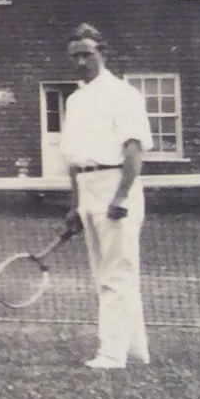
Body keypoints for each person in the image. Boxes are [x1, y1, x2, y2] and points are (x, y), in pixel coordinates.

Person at [60, 23, 153, 369]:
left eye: (87, 54)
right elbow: (73, 160)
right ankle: (134, 350)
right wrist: (75, 206)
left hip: (117, 186)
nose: (81, 61)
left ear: (102, 53)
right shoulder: (75, 100)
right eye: (75, 56)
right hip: (88, 191)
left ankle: (112, 354)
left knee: (118, 273)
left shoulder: (123, 94)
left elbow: (133, 152)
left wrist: (122, 197)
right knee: (107, 275)